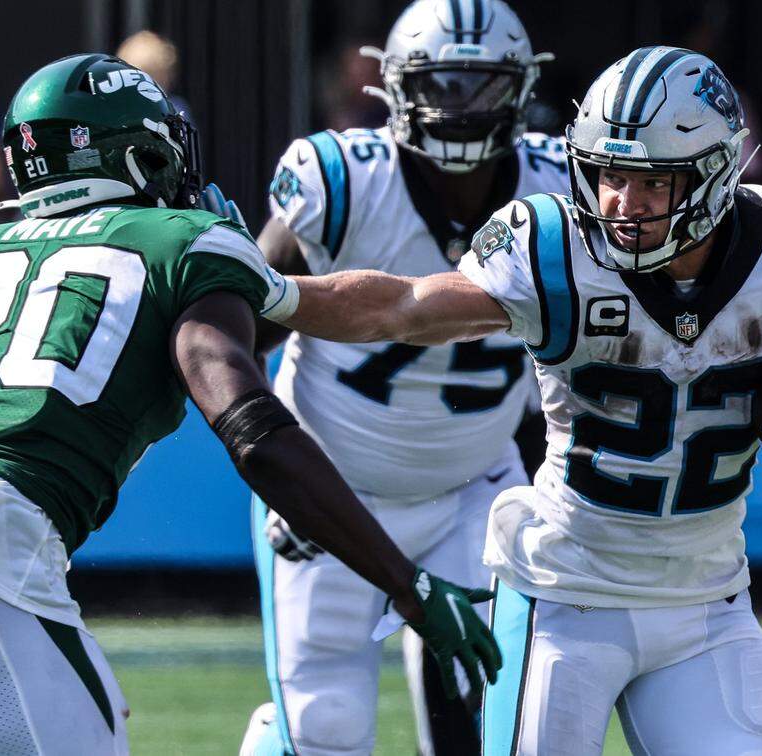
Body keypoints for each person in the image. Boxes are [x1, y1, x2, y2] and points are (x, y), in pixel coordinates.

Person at [0, 53, 499, 755]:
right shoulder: (182, 241)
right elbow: (252, 429)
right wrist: (404, 580)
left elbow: (334, 305)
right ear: (140, 153)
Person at [256, 46, 762, 755]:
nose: (621, 204)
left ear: (717, 174)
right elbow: (404, 306)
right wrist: (277, 292)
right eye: (609, 175)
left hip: (707, 605)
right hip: (565, 596)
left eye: (651, 183)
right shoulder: (556, 249)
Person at [238, 2, 560, 754]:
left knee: (488, 715)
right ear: (392, 88)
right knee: (324, 726)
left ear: (518, 90)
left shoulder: (561, 185)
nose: (458, 108)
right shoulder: (343, 181)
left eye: (479, 86)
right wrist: (281, 483)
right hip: (333, 490)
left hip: (475, 487)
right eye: (440, 85)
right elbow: (245, 323)